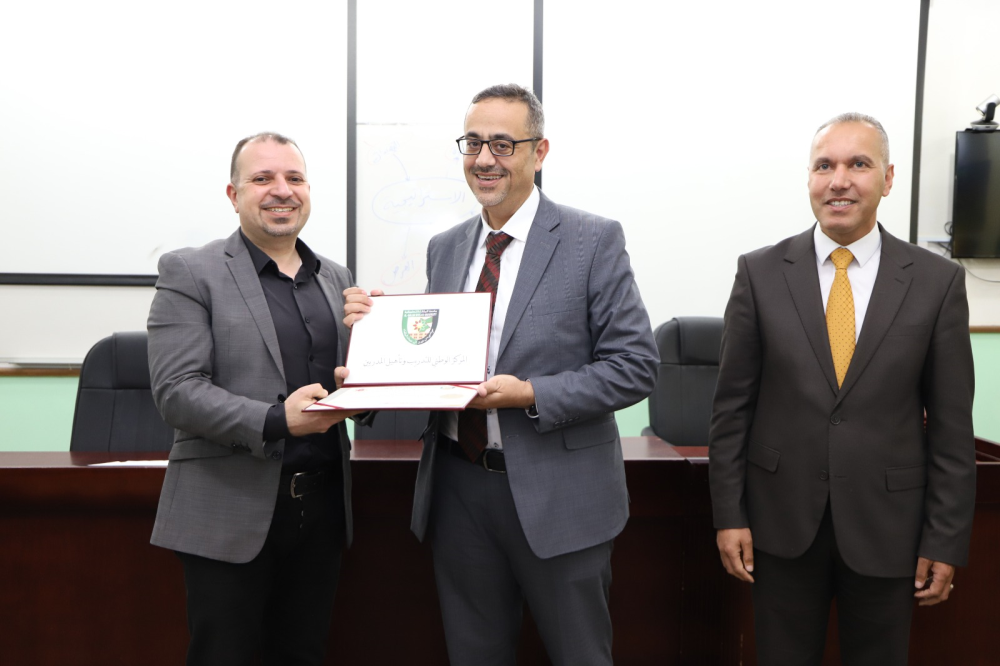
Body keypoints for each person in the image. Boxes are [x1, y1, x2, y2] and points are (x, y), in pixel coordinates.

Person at [345, 84, 659, 665]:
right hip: (459, 490)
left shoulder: (592, 239)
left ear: (540, 152)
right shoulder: (446, 246)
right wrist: (377, 354)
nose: (484, 159)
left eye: (502, 144)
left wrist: (529, 394)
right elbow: (438, 361)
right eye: (473, 143)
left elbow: (635, 365)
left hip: (560, 494)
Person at [709, 113, 976, 665]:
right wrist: (729, 514)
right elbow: (731, 410)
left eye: (859, 164)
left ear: (888, 178)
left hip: (890, 530)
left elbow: (952, 430)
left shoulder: (937, 282)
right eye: (824, 166)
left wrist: (945, 539)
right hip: (780, 527)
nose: (839, 181)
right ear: (809, 177)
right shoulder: (759, 273)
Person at [148, 132, 365, 666]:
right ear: (234, 193)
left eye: (294, 178)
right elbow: (177, 391)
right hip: (228, 510)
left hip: (320, 512)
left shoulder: (336, 278)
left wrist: (373, 370)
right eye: (263, 178)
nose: (281, 191)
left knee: (305, 653)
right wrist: (276, 420)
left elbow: (346, 385)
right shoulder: (190, 271)